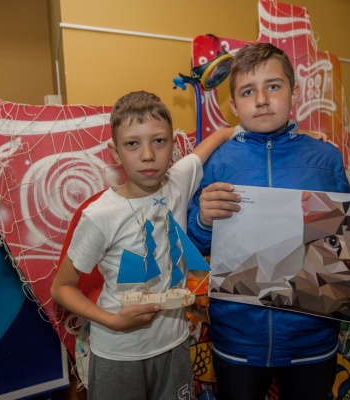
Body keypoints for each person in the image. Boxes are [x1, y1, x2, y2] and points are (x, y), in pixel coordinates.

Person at [186, 42, 350, 400]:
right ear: (234, 105)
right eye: (248, 91)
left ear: (294, 93)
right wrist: (203, 220)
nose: (261, 100)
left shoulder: (325, 158)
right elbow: (193, 244)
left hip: (313, 338)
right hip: (238, 338)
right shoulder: (217, 161)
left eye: (273, 86)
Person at [51, 91, 235, 399]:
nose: (148, 154)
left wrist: (295, 132)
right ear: (115, 152)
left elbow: (214, 141)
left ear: (172, 145)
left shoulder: (178, 182)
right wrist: (113, 320)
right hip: (118, 354)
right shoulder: (99, 215)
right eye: (132, 144)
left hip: (174, 346)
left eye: (159, 141)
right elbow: (62, 288)